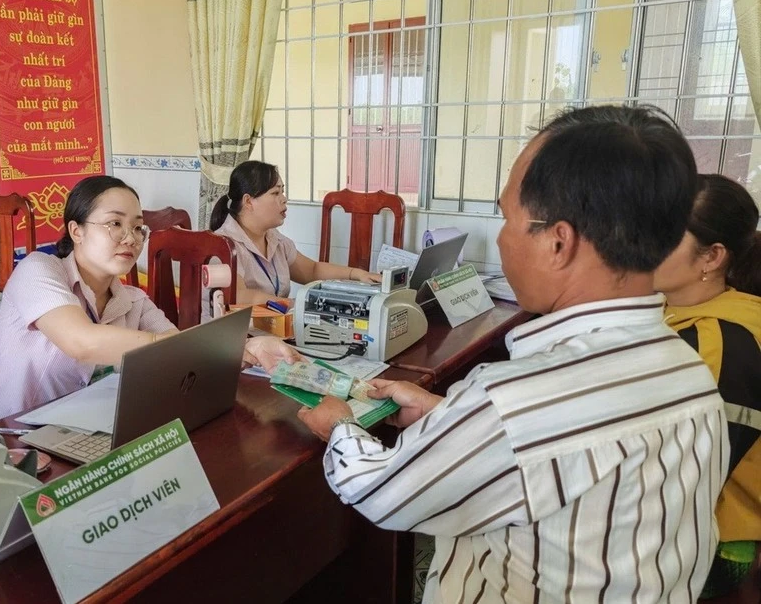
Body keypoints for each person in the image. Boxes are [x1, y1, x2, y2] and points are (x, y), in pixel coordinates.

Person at [297, 105, 727, 602]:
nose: (501, 238)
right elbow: (552, 450)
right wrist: (450, 414)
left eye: (506, 218)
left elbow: (380, 491)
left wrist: (340, 426)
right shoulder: (691, 373)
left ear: (559, 243)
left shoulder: (516, 400)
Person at [0, 176, 301, 424]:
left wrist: (248, 347)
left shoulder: (134, 300)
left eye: (137, 228)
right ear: (76, 231)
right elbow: (82, 342)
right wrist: (167, 348)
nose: (130, 238)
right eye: (114, 224)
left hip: (61, 437)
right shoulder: (38, 270)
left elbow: (181, 350)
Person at [653, 174, 761, 597]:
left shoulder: (716, 342)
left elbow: (690, 476)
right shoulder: (677, 310)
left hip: (714, 542)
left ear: (712, 257)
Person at [209, 161, 380, 306]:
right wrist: (294, 305)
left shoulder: (275, 239)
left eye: (282, 192)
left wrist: (357, 274)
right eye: (275, 193)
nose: (284, 199)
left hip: (273, 327)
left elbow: (312, 270)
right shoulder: (222, 245)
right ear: (248, 201)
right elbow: (240, 297)